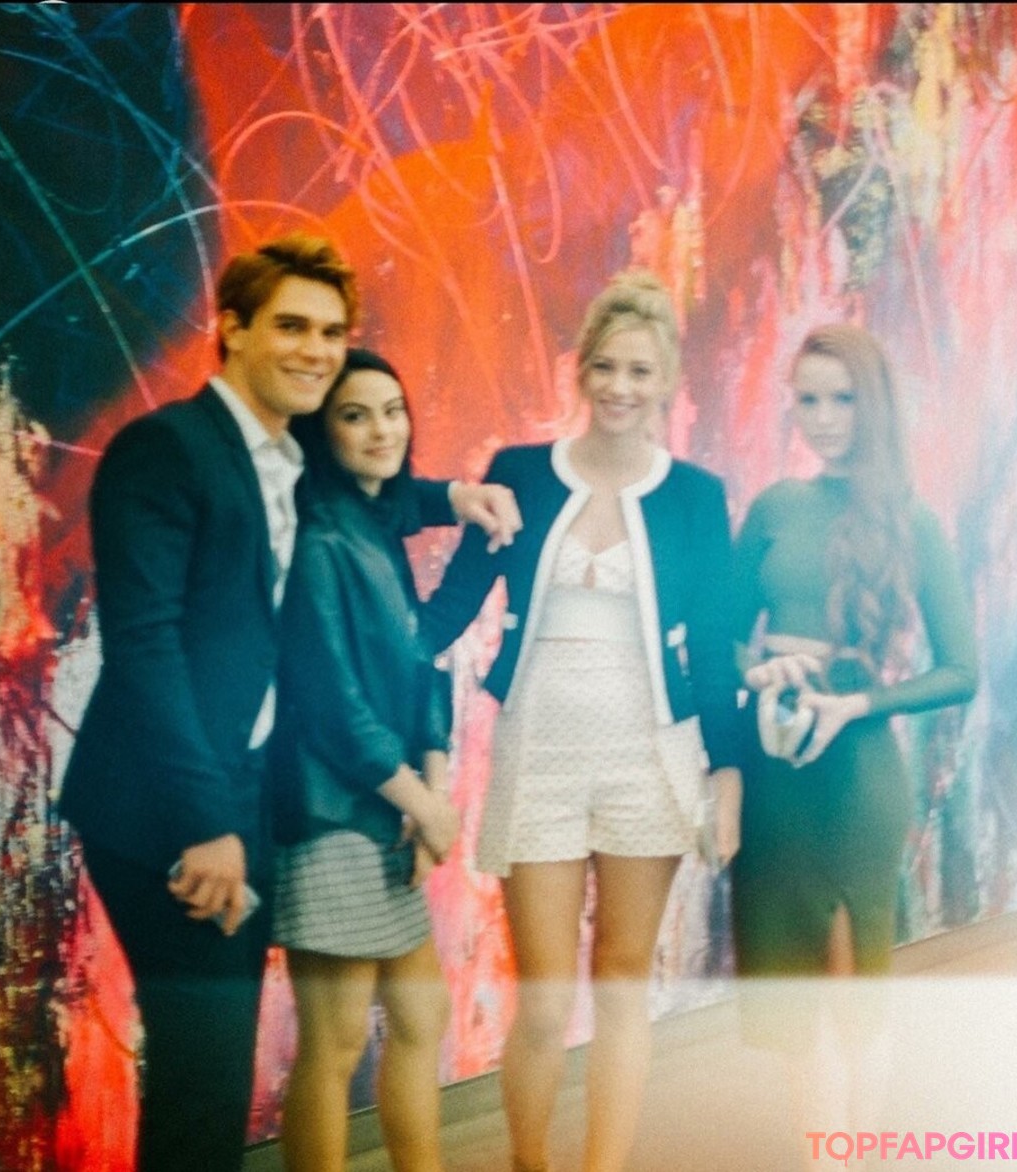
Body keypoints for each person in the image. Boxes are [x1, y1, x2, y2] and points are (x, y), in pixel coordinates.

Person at [58, 234, 520, 1172]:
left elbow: (382, 495)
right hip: (165, 810)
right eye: (292, 327)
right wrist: (205, 825)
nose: (315, 350)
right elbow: (145, 650)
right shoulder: (168, 449)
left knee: (213, 1082)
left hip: (243, 795)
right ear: (231, 328)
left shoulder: (285, 463)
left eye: (330, 331)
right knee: (203, 1079)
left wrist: (458, 495)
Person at [422, 271, 744, 1172]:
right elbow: (446, 614)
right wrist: (351, 637)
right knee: (542, 995)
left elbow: (715, 648)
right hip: (540, 752)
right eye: (605, 366)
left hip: (651, 756)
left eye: (639, 371)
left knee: (624, 982)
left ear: (666, 380)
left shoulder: (696, 495)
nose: (619, 387)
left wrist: (728, 778)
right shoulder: (520, 474)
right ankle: (530, 1162)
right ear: (581, 370)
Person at [730, 321, 978, 980]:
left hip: (859, 777)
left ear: (874, 403)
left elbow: (962, 672)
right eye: (808, 400)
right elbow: (719, 641)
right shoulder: (774, 507)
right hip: (772, 776)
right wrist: (759, 671)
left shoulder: (912, 520)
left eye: (843, 399)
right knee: (778, 1000)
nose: (824, 418)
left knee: (851, 1001)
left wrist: (857, 705)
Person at [270, 349, 460, 1172]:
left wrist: (432, 789)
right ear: (324, 431)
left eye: (393, 409)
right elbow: (332, 706)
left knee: (420, 1016)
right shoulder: (320, 538)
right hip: (329, 815)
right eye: (355, 415)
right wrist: (423, 803)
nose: (383, 429)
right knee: (338, 1038)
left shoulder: (376, 524)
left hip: (389, 806)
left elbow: (419, 668)